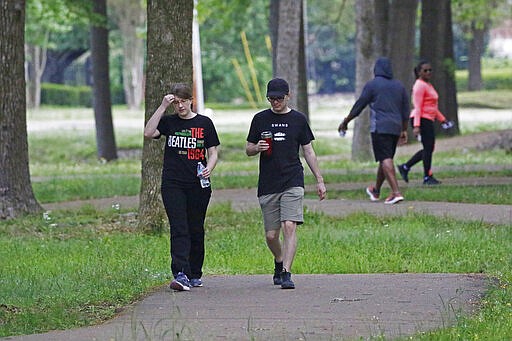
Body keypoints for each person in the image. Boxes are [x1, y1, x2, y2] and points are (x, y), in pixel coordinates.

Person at [246, 78, 326, 289]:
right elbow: (248, 149)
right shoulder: (260, 119)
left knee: (289, 225)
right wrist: (257, 148)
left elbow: (308, 150)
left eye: (279, 98)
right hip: (268, 182)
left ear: (288, 96)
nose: (275, 102)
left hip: (292, 179)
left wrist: (319, 179)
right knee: (271, 235)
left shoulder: (298, 120)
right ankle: (278, 260)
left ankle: (287, 273)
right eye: (271, 99)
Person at [144, 83, 220, 291]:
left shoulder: (204, 123)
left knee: (195, 227)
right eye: (176, 103)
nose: (180, 106)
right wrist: (161, 107)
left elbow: (213, 152)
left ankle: (195, 272)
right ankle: (180, 273)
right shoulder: (169, 122)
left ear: (190, 101)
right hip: (173, 183)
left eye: (183, 101)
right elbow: (149, 133)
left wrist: (209, 168)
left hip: (198, 184)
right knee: (179, 227)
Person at [338, 57, 409, 205]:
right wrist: (403, 130)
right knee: (386, 158)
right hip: (395, 128)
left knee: (385, 159)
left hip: (380, 127)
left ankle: (396, 192)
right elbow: (405, 111)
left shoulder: (372, 85)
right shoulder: (399, 86)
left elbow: (359, 106)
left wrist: (346, 121)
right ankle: (376, 190)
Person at [397, 60, 450, 185]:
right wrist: (416, 126)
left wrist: (442, 119)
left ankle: (406, 167)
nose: (428, 72)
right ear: (419, 72)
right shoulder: (419, 86)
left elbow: (432, 107)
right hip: (421, 119)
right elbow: (418, 107)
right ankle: (427, 176)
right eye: (425, 70)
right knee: (428, 148)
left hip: (428, 118)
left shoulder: (428, 85)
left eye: (430, 70)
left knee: (428, 149)